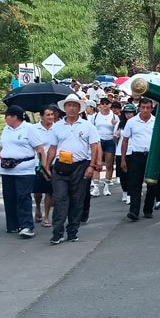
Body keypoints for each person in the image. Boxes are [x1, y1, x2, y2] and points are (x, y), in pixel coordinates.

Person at [43, 95, 101, 245]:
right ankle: (57, 232)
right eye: (69, 105)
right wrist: (47, 166)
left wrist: (92, 166)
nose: (72, 108)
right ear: (65, 108)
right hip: (60, 167)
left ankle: (72, 231)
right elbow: (52, 148)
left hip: (80, 166)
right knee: (60, 198)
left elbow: (94, 146)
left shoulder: (87, 126)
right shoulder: (57, 126)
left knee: (77, 200)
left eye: (75, 105)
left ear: (79, 108)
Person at [0, 105, 47, 238]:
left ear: (14, 117)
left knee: (23, 196)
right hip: (7, 169)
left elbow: (40, 150)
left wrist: (43, 168)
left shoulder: (29, 128)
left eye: (6, 115)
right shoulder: (6, 129)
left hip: (25, 170)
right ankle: (13, 225)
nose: (5, 118)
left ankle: (27, 226)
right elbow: (1, 148)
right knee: (9, 197)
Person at [120, 97, 158, 221]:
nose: (145, 110)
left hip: (151, 156)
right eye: (143, 107)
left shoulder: (156, 121)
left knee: (152, 184)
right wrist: (123, 159)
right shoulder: (132, 122)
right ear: (139, 108)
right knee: (134, 184)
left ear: (152, 109)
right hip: (136, 155)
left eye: (148, 108)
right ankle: (134, 211)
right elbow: (125, 140)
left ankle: (148, 209)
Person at [32, 106, 58, 227]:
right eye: (48, 115)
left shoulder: (57, 128)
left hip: (53, 163)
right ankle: (38, 207)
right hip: (38, 164)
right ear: (41, 116)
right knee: (37, 192)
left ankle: (47, 216)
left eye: (52, 114)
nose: (51, 117)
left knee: (49, 191)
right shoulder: (34, 129)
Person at [89, 98, 120, 197]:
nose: (105, 105)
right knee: (97, 164)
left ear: (110, 105)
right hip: (98, 141)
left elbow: (116, 131)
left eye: (107, 103)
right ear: (100, 105)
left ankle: (106, 186)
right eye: (103, 103)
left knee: (109, 164)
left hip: (110, 141)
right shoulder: (95, 116)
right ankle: (96, 187)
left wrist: (115, 132)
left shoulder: (115, 116)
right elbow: (91, 129)